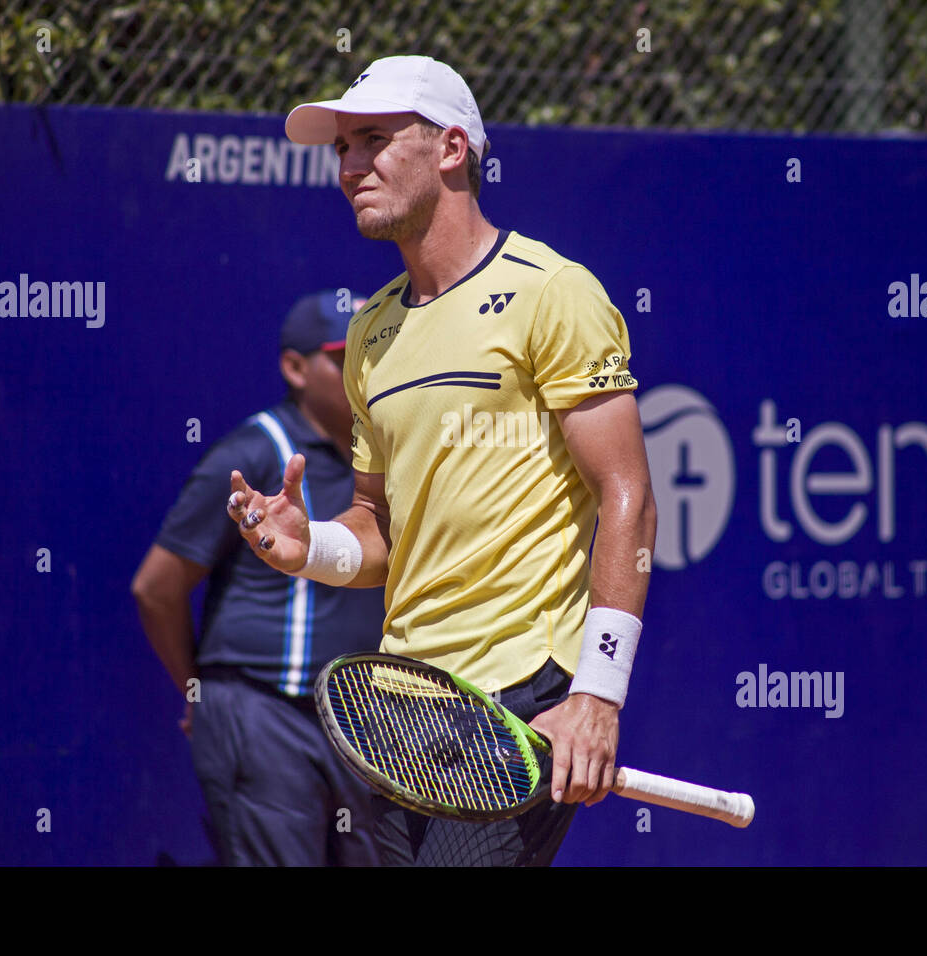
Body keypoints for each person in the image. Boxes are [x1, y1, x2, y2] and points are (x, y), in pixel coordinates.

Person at [228, 55, 657, 866]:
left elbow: (627, 492)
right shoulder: (370, 332)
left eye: (375, 141)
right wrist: (308, 546)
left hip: (521, 696)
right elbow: (380, 527)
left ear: (452, 149)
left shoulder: (553, 292)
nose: (351, 166)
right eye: (343, 148)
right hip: (404, 705)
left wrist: (598, 695)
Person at [132, 290, 385, 866]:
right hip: (264, 713)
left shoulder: (392, 458)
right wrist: (201, 692)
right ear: (295, 368)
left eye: (378, 351)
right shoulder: (255, 452)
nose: (365, 371)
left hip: (365, 727)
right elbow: (156, 587)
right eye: (346, 355)